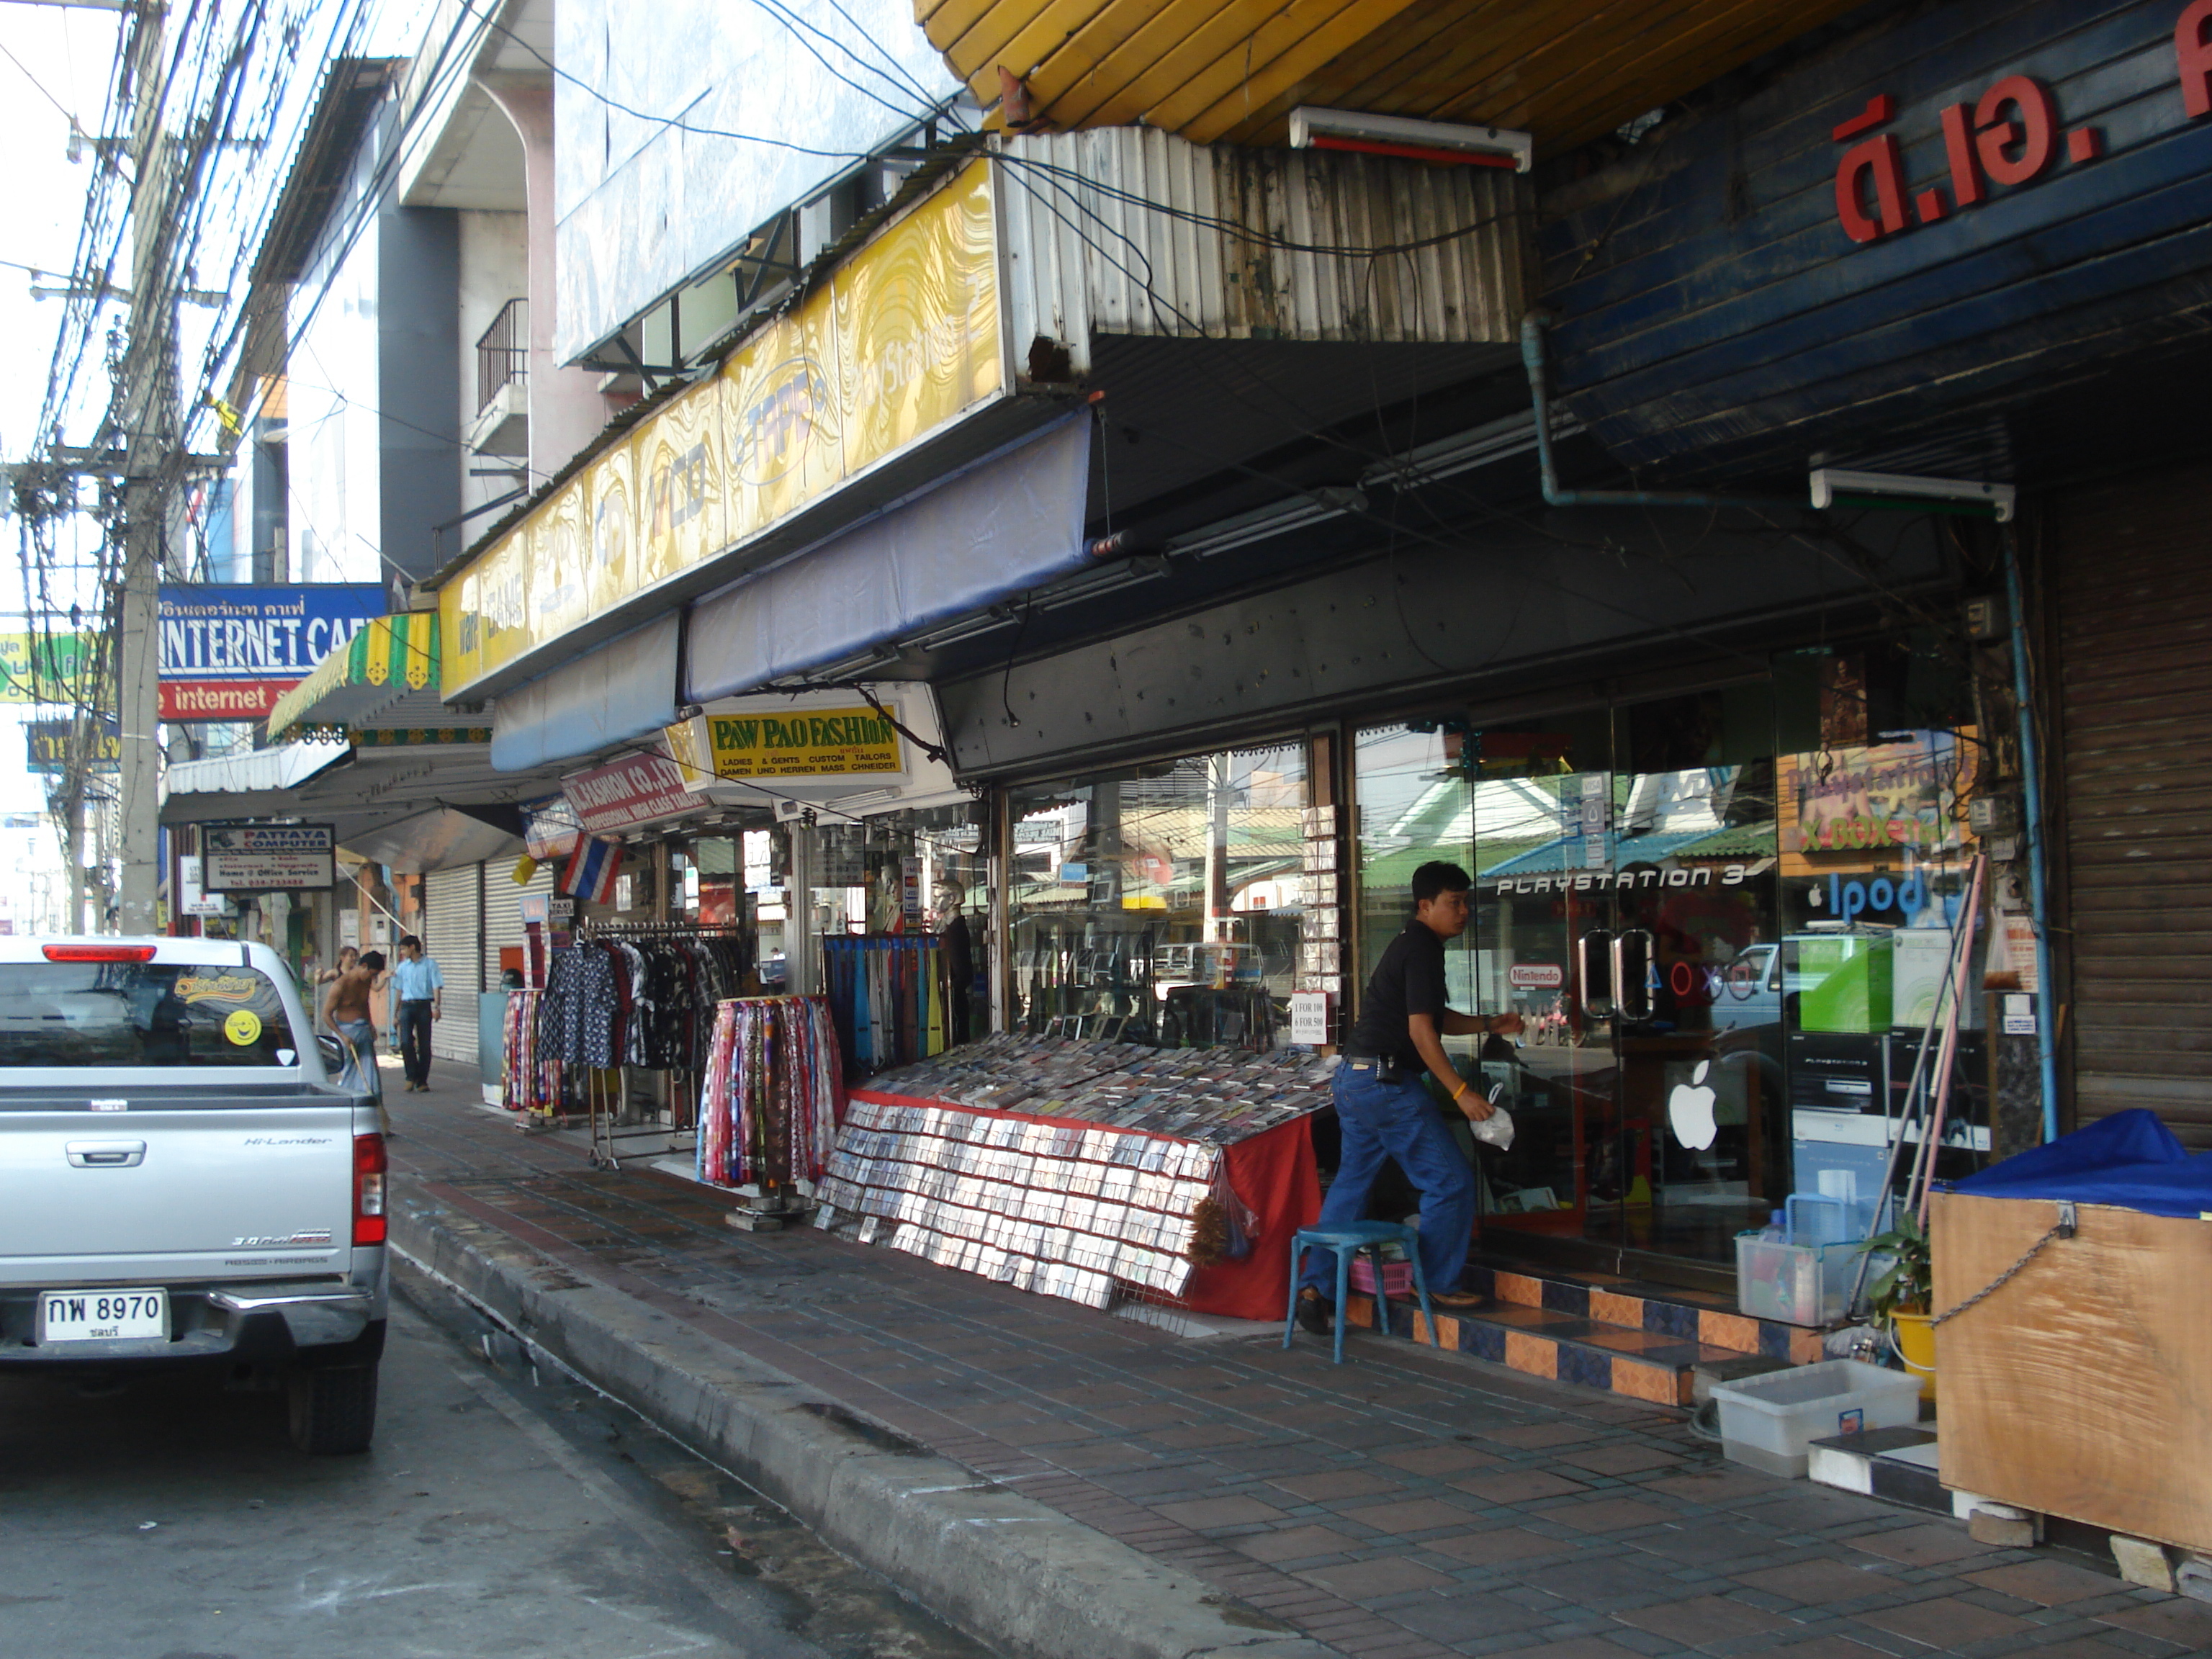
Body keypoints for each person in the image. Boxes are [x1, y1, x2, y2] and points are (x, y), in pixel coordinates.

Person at [1297, 860, 1522, 1334]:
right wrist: (1461, 1092)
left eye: (1466, 902)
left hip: (1354, 1079)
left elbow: (1430, 1018)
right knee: (1451, 1182)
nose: (1463, 912)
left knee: (1352, 1186)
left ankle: (1314, 1287)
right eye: (1453, 903)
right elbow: (1423, 1034)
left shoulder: (1411, 945)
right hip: (1385, 1085)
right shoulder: (1422, 949)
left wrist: (1487, 1024)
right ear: (1426, 905)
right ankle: (1435, 1281)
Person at [321, 949, 387, 1120]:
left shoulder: (365, 983)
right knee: (349, 1072)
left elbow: (364, 1004)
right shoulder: (340, 985)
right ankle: (347, 1115)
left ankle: (375, 1117)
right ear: (363, 966)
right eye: (372, 975)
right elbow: (326, 1015)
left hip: (363, 1030)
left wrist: (371, 1024)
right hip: (346, 1032)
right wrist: (342, 1036)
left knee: (370, 1074)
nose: (372, 980)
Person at [390, 934, 444, 1094]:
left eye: (403, 949)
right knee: (406, 1042)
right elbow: (399, 991)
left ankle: (422, 1081)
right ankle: (410, 1076)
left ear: (412, 947)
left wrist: (437, 1007)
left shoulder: (430, 965)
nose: (402, 952)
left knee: (424, 1045)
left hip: (423, 1005)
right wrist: (395, 1014)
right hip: (407, 1006)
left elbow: (436, 987)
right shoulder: (402, 967)